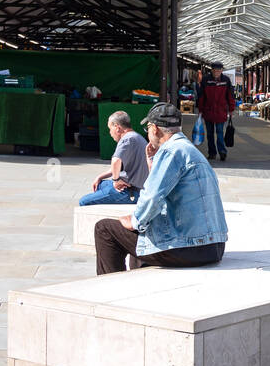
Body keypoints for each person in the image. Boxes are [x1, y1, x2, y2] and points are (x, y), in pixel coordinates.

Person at [93, 103, 228, 276]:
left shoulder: (170, 152)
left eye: (147, 128)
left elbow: (152, 197)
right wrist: (151, 163)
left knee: (104, 229)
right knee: (143, 240)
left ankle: (108, 288)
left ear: (155, 128)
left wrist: (135, 220)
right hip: (214, 246)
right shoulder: (189, 150)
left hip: (189, 247)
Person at [79, 111, 149, 206]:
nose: (110, 133)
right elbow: (117, 166)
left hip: (131, 192)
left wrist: (116, 180)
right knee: (99, 185)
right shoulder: (135, 137)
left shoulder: (127, 139)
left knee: (83, 202)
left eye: (110, 128)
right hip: (134, 187)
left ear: (117, 127)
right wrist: (100, 177)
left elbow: (116, 161)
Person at [197, 62, 236, 161]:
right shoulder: (206, 80)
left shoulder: (226, 80)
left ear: (222, 70)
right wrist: (200, 110)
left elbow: (230, 96)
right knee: (210, 134)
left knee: (219, 133)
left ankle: (222, 152)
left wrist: (231, 109)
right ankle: (212, 153)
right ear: (212, 70)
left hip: (220, 111)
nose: (216, 72)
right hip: (208, 111)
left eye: (218, 71)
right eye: (214, 70)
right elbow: (201, 97)